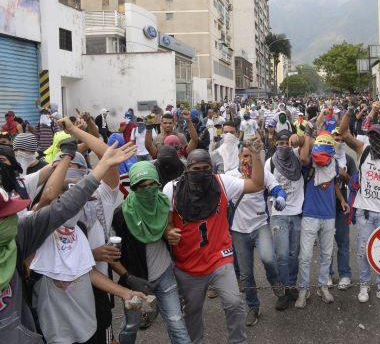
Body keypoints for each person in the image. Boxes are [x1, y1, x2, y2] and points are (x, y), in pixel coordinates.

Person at [0, 141, 141, 343]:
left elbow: (85, 270)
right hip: (54, 331)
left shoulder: (72, 230)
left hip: (87, 325)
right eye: (5, 215)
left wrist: (124, 292)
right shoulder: (35, 233)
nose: (12, 218)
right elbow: (51, 198)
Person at [163, 146, 265, 344]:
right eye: (195, 169)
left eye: (205, 168)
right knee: (191, 312)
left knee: (235, 303)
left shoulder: (222, 182)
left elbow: (257, 183)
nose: (201, 173)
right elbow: (167, 225)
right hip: (188, 264)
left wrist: (256, 156)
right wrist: (169, 233)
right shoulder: (172, 189)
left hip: (220, 257)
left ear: (212, 168)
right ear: (186, 169)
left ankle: (238, 341)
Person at [111, 161, 191, 343]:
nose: (148, 190)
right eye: (141, 186)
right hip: (135, 281)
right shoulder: (121, 215)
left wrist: (169, 233)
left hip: (165, 275)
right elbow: (112, 256)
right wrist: (129, 278)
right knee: (131, 326)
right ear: (133, 187)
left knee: (177, 324)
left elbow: (168, 227)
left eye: (152, 185)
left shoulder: (163, 204)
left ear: (157, 183)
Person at [339, 108, 380, 307]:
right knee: (363, 250)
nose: (373, 140)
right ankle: (364, 285)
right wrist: (349, 112)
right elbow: (343, 133)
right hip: (364, 211)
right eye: (371, 136)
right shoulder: (362, 150)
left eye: (377, 136)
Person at [228, 144, 288, 325]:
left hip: (260, 226)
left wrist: (281, 197)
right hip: (239, 231)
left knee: (269, 259)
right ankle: (253, 307)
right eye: (244, 155)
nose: (247, 159)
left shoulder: (262, 173)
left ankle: (278, 287)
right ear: (239, 156)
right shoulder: (230, 175)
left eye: (251, 156)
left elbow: (278, 188)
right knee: (246, 274)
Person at [295, 131, 349, 308]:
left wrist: (342, 200)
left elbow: (333, 183)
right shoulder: (309, 161)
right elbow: (303, 157)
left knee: (327, 254)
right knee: (305, 257)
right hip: (310, 214)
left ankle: (322, 286)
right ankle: (303, 290)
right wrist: (306, 139)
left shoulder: (333, 164)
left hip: (329, 215)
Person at [265, 129, 308, 310]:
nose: (284, 146)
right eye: (280, 143)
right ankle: (282, 292)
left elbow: (310, 142)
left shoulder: (299, 157)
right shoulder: (270, 163)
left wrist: (300, 138)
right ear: (275, 143)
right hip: (279, 215)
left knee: (293, 254)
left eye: (287, 143)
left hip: (297, 213)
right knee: (281, 255)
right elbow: (266, 185)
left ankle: (291, 285)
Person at [330, 127, 356, 290]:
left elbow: (355, 184)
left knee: (343, 241)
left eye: (341, 140)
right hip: (324, 207)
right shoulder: (324, 157)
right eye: (336, 139)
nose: (338, 143)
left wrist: (344, 174)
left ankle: (345, 274)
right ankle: (326, 274)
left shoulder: (349, 160)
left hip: (342, 207)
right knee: (326, 244)